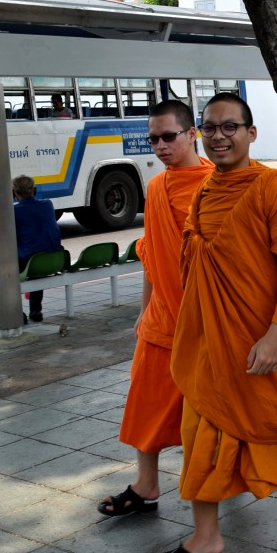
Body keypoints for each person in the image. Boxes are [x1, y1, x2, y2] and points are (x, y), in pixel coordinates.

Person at [145, 93, 277, 553]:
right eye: (210, 128)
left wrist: (276, 334)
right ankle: (205, 537)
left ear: (251, 133)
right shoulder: (204, 192)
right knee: (199, 430)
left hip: (266, 338)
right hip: (211, 343)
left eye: (230, 127)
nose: (219, 136)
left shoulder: (275, 187)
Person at [98, 101, 214, 518]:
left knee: (212, 413)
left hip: (205, 321)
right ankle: (145, 484)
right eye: (153, 139)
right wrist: (144, 312)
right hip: (162, 319)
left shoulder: (215, 184)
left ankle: (219, 484)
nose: (161, 145)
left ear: (192, 134)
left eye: (169, 136)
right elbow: (152, 256)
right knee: (144, 405)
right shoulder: (155, 188)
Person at [12, 175, 62, 324]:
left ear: (13, 193)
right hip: (55, 260)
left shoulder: (14, 212)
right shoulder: (48, 204)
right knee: (37, 256)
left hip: (32, 263)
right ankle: (36, 310)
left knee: (7, 271)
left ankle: (16, 313)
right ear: (34, 190)